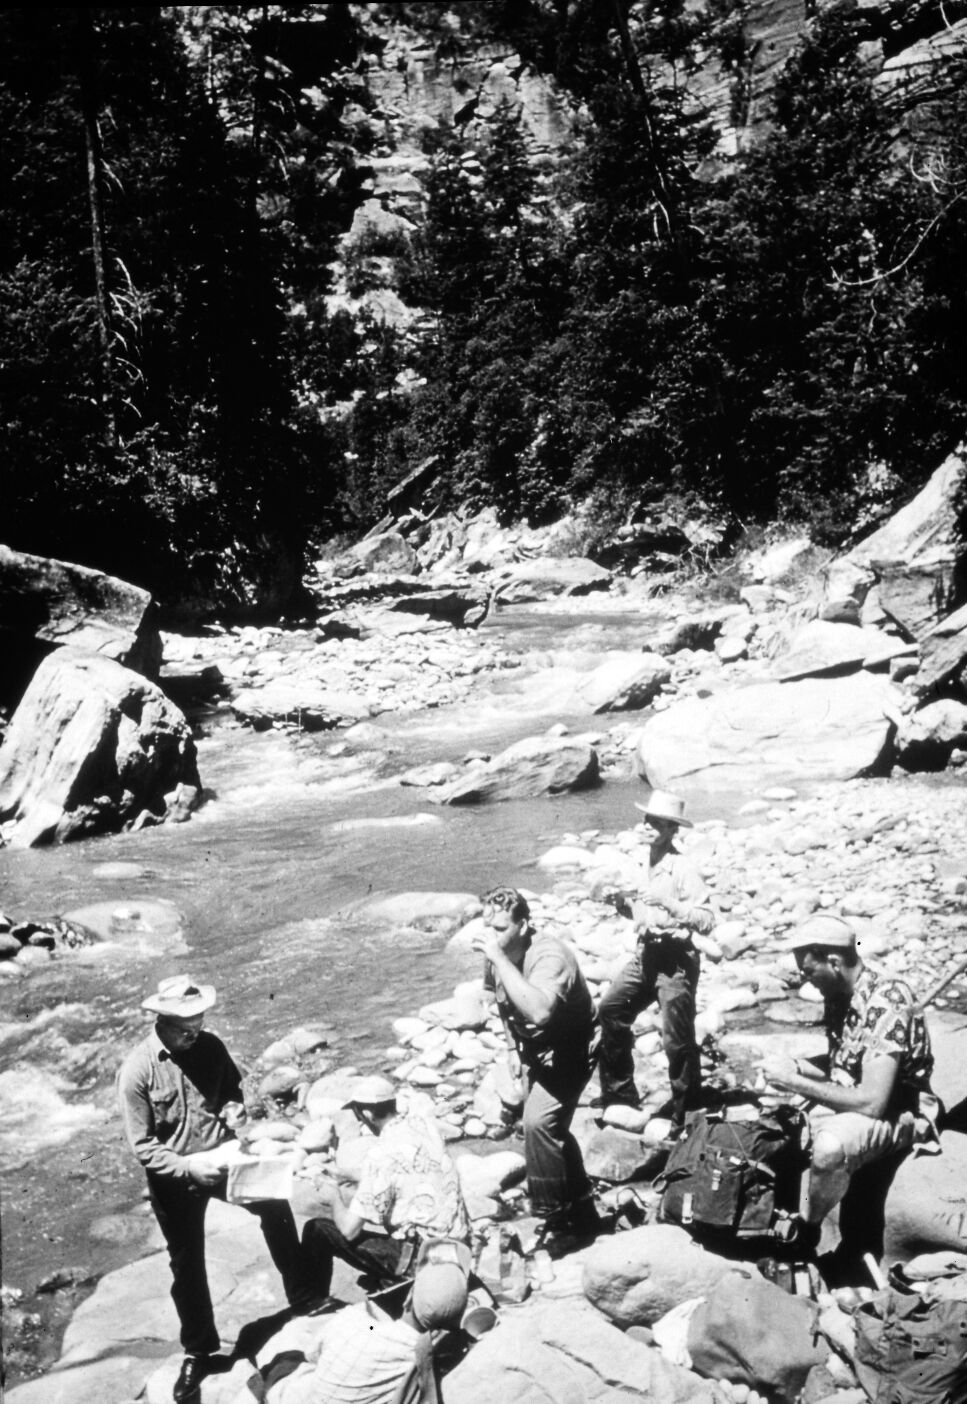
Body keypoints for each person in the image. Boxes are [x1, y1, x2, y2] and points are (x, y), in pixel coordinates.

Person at [117, 975, 318, 1403]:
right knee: (186, 1263)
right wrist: (188, 1170)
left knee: (275, 1207)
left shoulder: (210, 1046)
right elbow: (143, 1146)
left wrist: (235, 1115)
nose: (195, 1034)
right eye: (185, 1028)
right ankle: (200, 1351)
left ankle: (304, 1299)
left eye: (199, 1023)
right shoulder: (137, 1070)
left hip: (223, 1157)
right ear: (162, 1021)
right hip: (176, 1175)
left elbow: (232, 1093)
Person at [760, 914, 942, 1257]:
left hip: (898, 1110)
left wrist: (795, 1082)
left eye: (808, 971)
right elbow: (842, 1064)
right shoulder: (839, 992)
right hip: (858, 1094)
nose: (805, 981)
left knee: (829, 1147)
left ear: (834, 962)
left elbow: (873, 1102)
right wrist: (796, 1066)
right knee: (774, 1127)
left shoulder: (888, 999)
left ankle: (806, 1232)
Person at [471, 886, 599, 1253]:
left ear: (523, 925)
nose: (489, 937)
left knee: (538, 1124)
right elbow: (503, 1003)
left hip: (572, 1046)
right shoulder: (498, 953)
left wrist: (498, 956)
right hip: (534, 1049)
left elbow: (540, 1010)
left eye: (499, 929)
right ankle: (584, 1210)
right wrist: (512, 1047)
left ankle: (556, 1219)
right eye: (487, 928)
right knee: (550, 1130)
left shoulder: (549, 956)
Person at [594, 791, 715, 1125]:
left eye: (656, 823)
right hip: (646, 953)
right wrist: (619, 903)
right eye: (647, 820)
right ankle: (619, 1097)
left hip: (676, 960)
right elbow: (639, 912)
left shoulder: (684, 867)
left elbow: (707, 919)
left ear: (672, 830)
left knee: (676, 1038)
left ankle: (687, 1112)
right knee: (611, 1009)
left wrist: (670, 903)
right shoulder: (641, 862)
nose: (648, 827)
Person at [237, 1242, 472, 1404]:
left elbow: (312, 1355)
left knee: (288, 1350)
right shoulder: (425, 1356)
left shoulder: (356, 1321)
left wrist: (370, 1320)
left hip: (299, 1397)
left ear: (409, 1297)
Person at [301, 1077, 470, 1298]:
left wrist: (332, 1197)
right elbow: (404, 1170)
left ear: (368, 1115)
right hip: (458, 1248)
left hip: (423, 1258)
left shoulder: (379, 1156)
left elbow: (349, 1231)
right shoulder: (424, 1126)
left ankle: (312, 1303)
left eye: (359, 1115)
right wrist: (346, 1175)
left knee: (317, 1230)